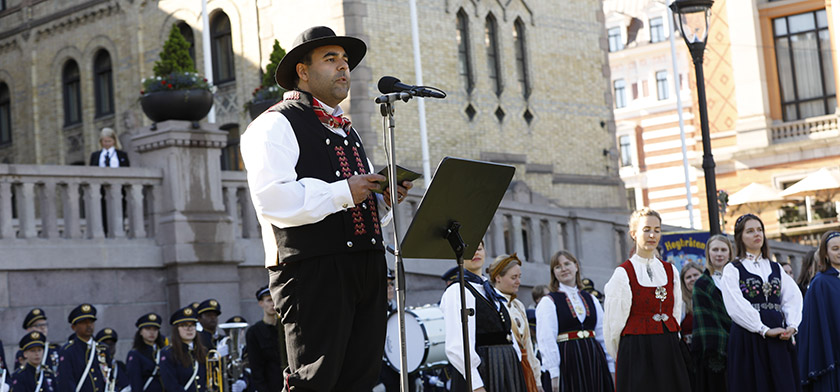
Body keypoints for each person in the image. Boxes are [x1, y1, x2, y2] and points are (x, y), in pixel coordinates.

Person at [240, 26, 412, 391]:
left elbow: (344, 201)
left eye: (346, 61)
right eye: (330, 59)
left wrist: (379, 199)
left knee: (360, 380)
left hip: (364, 265)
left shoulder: (346, 129)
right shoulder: (274, 124)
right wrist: (344, 191)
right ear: (303, 71)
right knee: (315, 382)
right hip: (313, 270)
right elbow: (273, 199)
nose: (343, 68)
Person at [603, 208, 691, 391]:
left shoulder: (670, 271)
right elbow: (614, 325)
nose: (652, 235)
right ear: (633, 234)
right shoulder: (623, 273)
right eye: (646, 229)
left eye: (657, 230)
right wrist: (628, 355)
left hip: (668, 348)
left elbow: (675, 313)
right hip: (637, 351)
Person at [720, 213, 802, 392]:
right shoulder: (732, 269)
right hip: (748, 335)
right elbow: (735, 305)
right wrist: (763, 329)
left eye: (759, 230)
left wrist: (792, 325)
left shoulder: (775, 267)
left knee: (782, 383)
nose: (757, 234)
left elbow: (792, 297)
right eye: (750, 231)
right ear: (740, 237)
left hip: (779, 334)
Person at [440, 241, 527, 391]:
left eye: (479, 248)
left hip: (506, 367)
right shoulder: (457, 291)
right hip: (484, 369)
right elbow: (457, 346)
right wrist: (476, 385)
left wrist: (515, 364)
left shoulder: (490, 290)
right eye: (469, 250)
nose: (475, 253)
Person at [537, 250, 614, 392]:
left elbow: (603, 335)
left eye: (567, 264)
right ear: (554, 272)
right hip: (568, 360)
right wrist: (554, 373)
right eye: (558, 267)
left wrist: (611, 366)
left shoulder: (591, 299)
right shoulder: (549, 301)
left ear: (576, 266)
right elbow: (546, 339)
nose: (564, 269)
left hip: (594, 358)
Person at [488, 254, 542, 392]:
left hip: (526, 369)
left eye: (519, 277)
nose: (518, 281)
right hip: (507, 370)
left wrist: (537, 379)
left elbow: (528, 345)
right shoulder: (491, 305)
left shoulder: (518, 305)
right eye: (513, 277)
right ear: (498, 277)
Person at [691, 234, 734, 392]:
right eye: (715, 249)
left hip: (741, 345)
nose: (719, 253)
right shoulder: (701, 284)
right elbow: (704, 322)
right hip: (713, 351)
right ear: (708, 253)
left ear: (730, 253)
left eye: (724, 250)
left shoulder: (737, 280)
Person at [798, 231, 840, 391]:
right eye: (835, 248)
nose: (839, 252)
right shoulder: (820, 283)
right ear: (826, 254)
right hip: (833, 356)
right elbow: (813, 326)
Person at [57, 304, 111, 392]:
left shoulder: (102, 348)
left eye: (91, 322)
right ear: (74, 327)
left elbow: (109, 378)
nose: (89, 325)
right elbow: (66, 383)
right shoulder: (68, 351)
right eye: (84, 322)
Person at [245, 286, 286, 392]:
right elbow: (256, 367)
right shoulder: (254, 332)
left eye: (275, 299)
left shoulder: (286, 328)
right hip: (270, 387)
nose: (273, 304)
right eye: (269, 300)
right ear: (261, 303)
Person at [159, 307, 207, 392]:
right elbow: (171, 385)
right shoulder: (168, 353)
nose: (189, 329)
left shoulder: (203, 351)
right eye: (184, 325)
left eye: (192, 325)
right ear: (177, 329)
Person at [126, 313, 165, 392]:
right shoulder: (135, 354)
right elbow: (135, 382)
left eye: (155, 329)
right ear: (140, 332)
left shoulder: (163, 352)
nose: (152, 332)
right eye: (148, 329)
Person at [16, 309, 59, 373]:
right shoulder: (23, 352)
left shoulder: (55, 349)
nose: (43, 328)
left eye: (44, 324)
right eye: (38, 325)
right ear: (29, 329)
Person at [679, 261, 703, 344]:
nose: (693, 279)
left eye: (696, 275)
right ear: (684, 282)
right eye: (688, 277)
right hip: (689, 349)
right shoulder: (681, 304)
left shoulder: (712, 297)